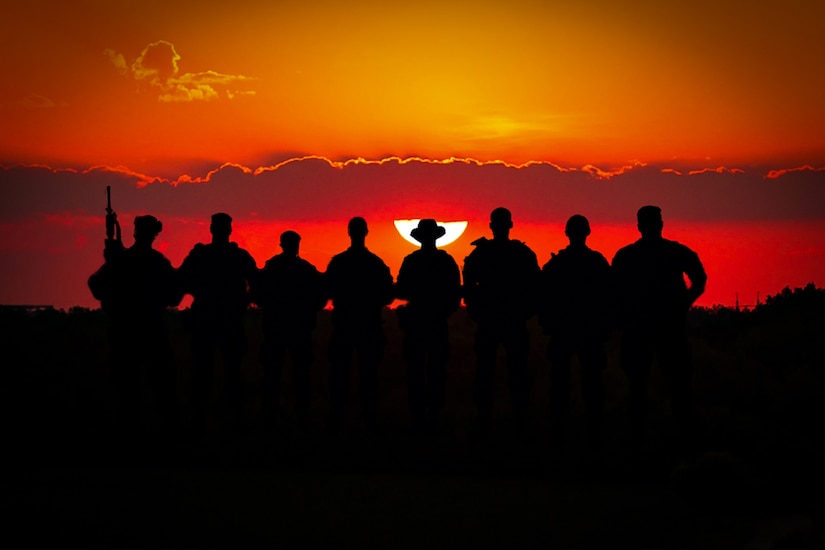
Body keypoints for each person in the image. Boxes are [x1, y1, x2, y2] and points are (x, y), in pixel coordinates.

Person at [611, 205, 707, 452]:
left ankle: (645, 445)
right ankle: (681, 446)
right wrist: (683, 303)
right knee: (665, 389)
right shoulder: (672, 252)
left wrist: (683, 303)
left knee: (657, 389)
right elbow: (699, 279)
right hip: (659, 329)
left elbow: (613, 293)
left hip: (650, 329)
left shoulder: (627, 256)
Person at [88, 215, 182, 440]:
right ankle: (165, 434)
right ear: (154, 235)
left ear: (136, 233)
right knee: (159, 385)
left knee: (129, 386)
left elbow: (98, 286)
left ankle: (133, 434)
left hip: (128, 330)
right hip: (148, 329)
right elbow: (174, 297)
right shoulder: (157, 262)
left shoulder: (123, 260)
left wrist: (113, 265)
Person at [462, 207, 541, 436]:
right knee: (514, 373)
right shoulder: (522, 253)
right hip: (510, 321)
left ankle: (487, 425)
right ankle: (519, 426)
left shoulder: (482, 254)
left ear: (491, 226)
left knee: (488, 373)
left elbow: (469, 288)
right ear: (510, 225)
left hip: (493, 321)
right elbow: (535, 288)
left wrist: (477, 312)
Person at [178, 212, 258, 435]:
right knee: (227, 374)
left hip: (212, 321)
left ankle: (204, 424)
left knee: (207, 374)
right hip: (224, 321)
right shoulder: (237, 256)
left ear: (212, 230)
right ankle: (231, 424)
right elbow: (258, 287)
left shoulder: (202, 255)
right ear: (229, 230)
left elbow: (179, 281)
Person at [539, 214, 611, 450]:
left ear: (567, 233)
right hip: (585, 333)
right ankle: (593, 437)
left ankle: (561, 436)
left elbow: (543, 298)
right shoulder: (597, 262)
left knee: (563, 386)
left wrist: (549, 325)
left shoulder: (557, 264)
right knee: (589, 386)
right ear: (587, 233)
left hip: (567, 332)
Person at [324, 217, 394, 436]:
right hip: (365, 325)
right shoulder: (375, 263)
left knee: (344, 377)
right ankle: (367, 423)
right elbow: (387, 294)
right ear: (366, 232)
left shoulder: (340, 262)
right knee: (365, 377)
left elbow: (327, 290)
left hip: (348, 325)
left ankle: (340, 423)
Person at [252, 230, 326, 431]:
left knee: (274, 376)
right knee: (299, 376)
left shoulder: (272, 268)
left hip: (277, 328)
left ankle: (271, 420)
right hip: (298, 329)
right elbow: (321, 295)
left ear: (281, 244)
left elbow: (257, 295)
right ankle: (300, 419)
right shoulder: (305, 269)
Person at [395, 219, 462, 435]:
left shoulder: (411, 261)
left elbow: (402, 291)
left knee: (418, 371)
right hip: (435, 323)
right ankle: (432, 418)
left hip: (418, 323)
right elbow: (454, 296)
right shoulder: (446, 261)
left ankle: (421, 419)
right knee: (435, 372)